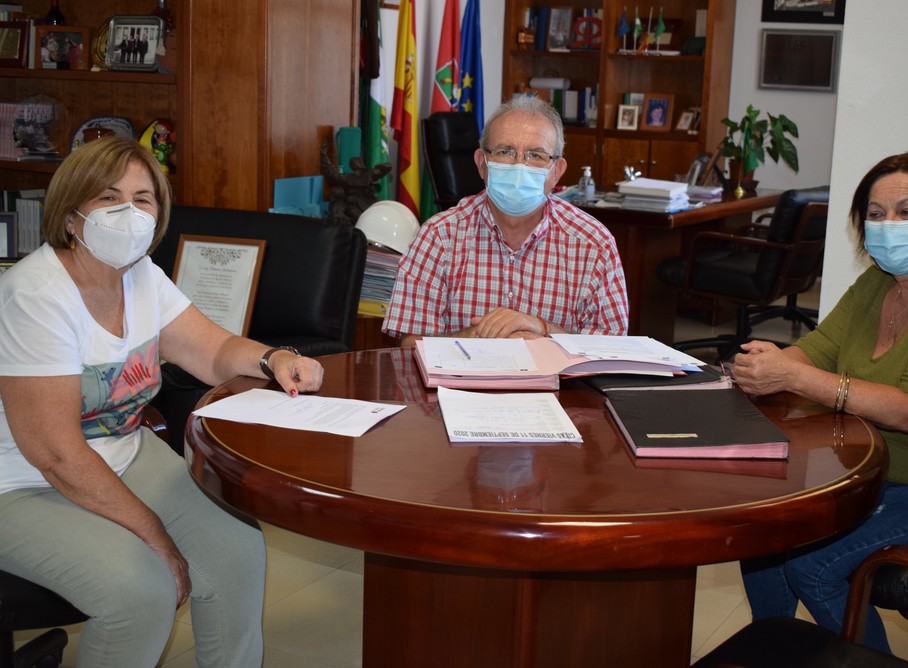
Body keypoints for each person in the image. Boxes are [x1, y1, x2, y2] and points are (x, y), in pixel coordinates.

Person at [0, 136, 325, 666]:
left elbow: (213, 352)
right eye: (108, 197)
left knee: (236, 552)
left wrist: (274, 359)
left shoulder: (141, 276)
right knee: (142, 594)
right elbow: (55, 454)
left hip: (122, 454)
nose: (127, 212)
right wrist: (156, 534)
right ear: (71, 214)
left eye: (142, 198)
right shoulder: (35, 296)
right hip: (21, 483)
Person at [731, 151, 908, 654]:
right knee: (765, 535)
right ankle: (773, 655)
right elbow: (814, 352)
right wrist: (768, 364)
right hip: (870, 472)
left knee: (814, 567)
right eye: (876, 214)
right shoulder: (877, 283)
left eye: (906, 211)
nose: (888, 225)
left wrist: (795, 376)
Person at [382, 96, 628, 345]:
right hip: (465, 372)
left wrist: (542, 330)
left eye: (536, 155)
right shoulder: (438, 236)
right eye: (504, 152)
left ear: (557, 171)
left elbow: (613, 348)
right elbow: (410, 344)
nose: (519, 166)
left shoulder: (594, 243)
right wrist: (478, 336)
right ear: (482, 163)